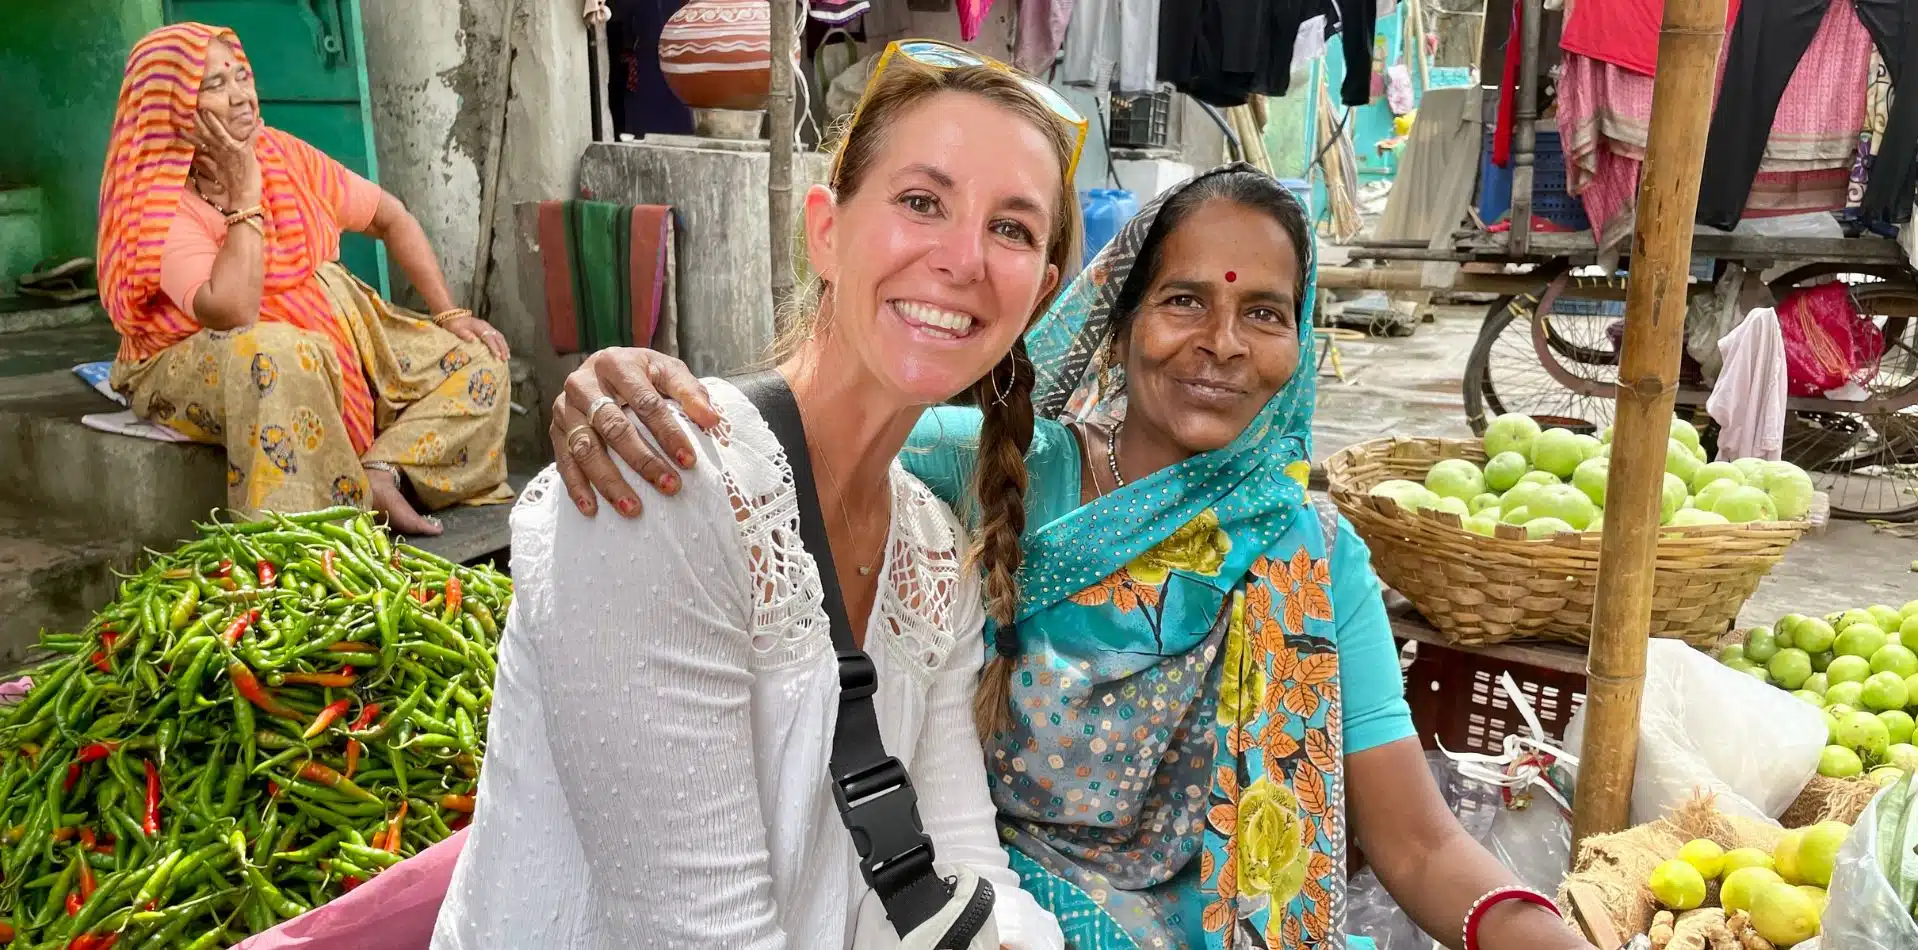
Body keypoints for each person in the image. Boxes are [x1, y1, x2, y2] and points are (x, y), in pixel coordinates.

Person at [547, 166, 1601, 950]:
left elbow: (1416, 846)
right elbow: (784, 438)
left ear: (1299, 347)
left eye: (1264, 313)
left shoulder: (1313, 555)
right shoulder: (986, 466)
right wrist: (641, 390)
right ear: (1121, 317)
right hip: (965, 909)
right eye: (1186, 299)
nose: (1223, 343)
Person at [433, 41, 1095, 949]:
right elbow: (700, 934)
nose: (963, 258)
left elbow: (959, 863)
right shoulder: (662, 487)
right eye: (921, 202)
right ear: (826, 229)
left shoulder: (937, 555)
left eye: (1013, 229)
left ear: (1041, 295)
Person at [98, 23, 514, 536]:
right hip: (202, 353)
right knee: (278, 353)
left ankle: (383, 474)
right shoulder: (155, 201)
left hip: (338, 330)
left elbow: (391, 217)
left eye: (241, 76)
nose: (242, 97)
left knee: (481, 360)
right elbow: (232, 313)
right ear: (171, 107)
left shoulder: (282, 154)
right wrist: (244, 190)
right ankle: (306, 545)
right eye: (213, 85)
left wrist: (451, 313)